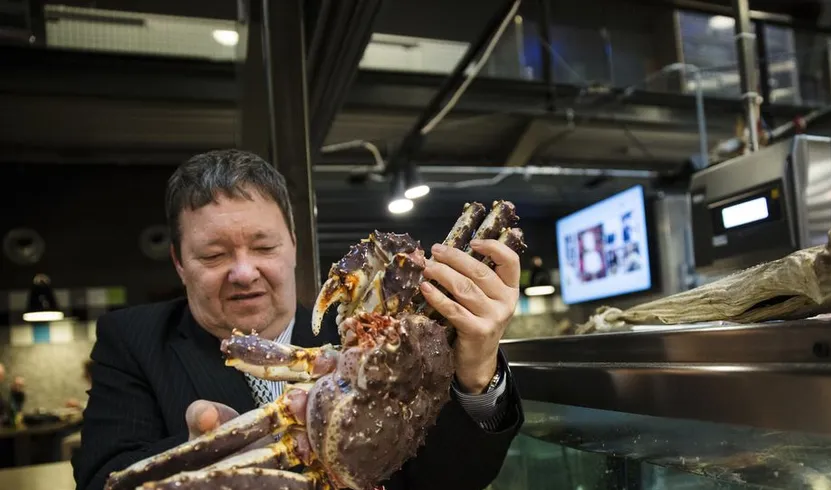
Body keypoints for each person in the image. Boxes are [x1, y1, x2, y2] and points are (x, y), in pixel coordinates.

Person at [73, 149, 525, 490]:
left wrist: (477, 373)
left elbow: (455, 480)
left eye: (264, 247)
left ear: (293, 244)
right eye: (213, 254)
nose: (244, 271)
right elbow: (102, 479)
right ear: (178, 262)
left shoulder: (371, 337)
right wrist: (204, 455)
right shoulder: (132, 340)